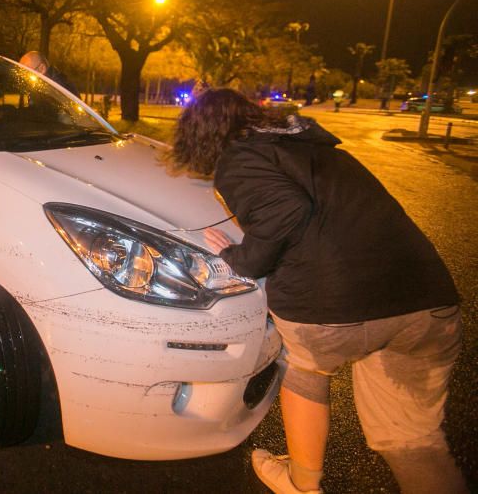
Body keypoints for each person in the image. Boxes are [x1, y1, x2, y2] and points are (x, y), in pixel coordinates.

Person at [169, 88, 464, 494]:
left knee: (305, 368)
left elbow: (286, 210)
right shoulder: (318, 151)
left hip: (335, 308)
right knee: (415, 442)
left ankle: (301, 481)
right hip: (428, 302)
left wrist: (241, 257)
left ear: (203, 133)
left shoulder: (240, 159)